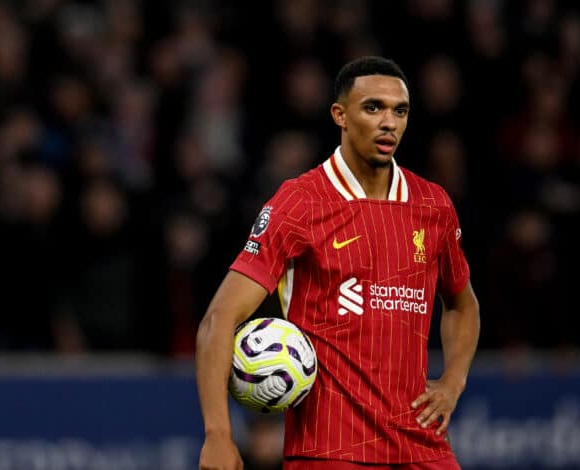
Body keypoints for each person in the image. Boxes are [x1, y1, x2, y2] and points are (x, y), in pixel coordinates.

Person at [196, 55, 480, 470]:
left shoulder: (433, 205)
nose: (389, 122)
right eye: (373, 108)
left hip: (424, 447)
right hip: (330, 451)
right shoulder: (301, 202)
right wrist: (218, 435)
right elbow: (219, 319)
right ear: (340, 115)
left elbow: (462, 303)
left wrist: (453, 382)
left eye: (399, 111)